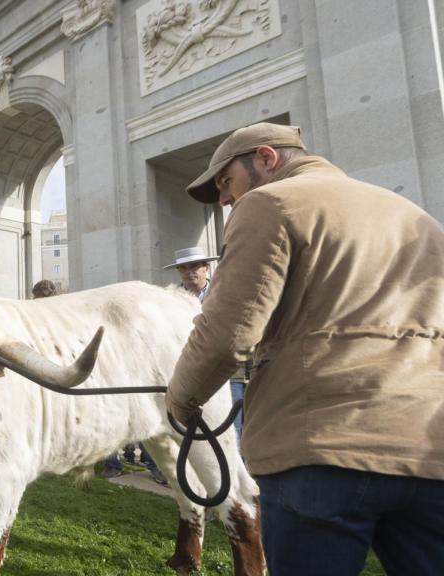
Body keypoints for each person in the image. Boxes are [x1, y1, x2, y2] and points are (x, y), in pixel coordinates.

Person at [165, 122, 444, 575]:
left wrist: (180, 399)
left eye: (225, 182)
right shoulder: (416, 215)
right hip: (429, 451)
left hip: (321, 446)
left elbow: (227, 334)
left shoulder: (269, 202)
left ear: (266, 158)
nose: (225, 199)